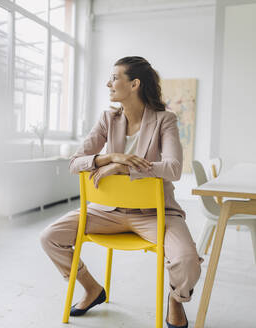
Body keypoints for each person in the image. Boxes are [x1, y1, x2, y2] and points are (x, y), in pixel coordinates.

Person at [39, 56, 202, 328]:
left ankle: (175, 300)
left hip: (154, 214)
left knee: (187, 262)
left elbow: (173, 168)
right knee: (50, 237)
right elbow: (74, 162)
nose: (108, 83)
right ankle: (92, 289)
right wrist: (111, 158)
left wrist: (124, 169)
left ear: (134, 83)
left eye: (114, 77)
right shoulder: (108, 118)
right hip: (108, 213)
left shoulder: (165, 120)